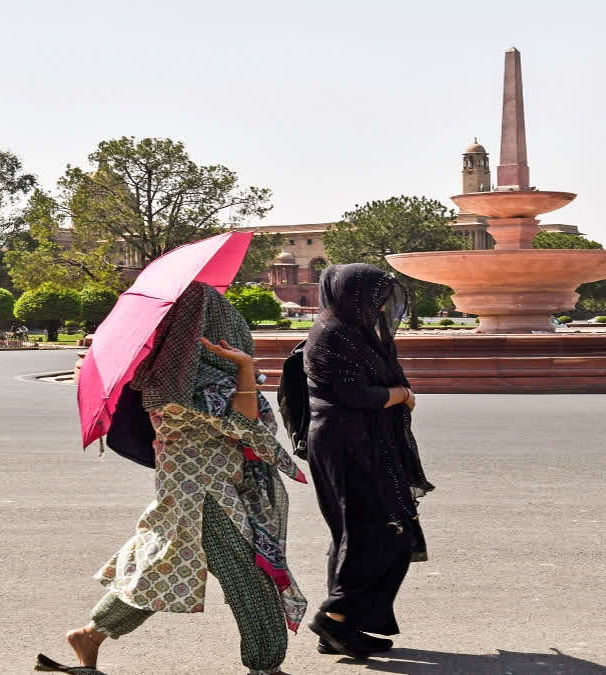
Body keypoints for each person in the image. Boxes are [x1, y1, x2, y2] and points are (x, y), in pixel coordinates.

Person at [41, 283, 305, 675]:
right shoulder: (187, 382)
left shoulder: (168, 372)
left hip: (188, 489)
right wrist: (245, 368)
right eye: (220, 315)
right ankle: (266, 667)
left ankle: (90, 635)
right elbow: (245, 423)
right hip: (206, 494)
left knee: (163, 566)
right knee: (248, 574)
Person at [302, 263, 434, 659]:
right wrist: (399, 395)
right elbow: (355, 394)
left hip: (362, 440)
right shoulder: (332, 334)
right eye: (372, 300)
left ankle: (343, 627)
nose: (378, 308)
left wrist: (396, 394)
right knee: (375, 531)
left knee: (365, 531)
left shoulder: (354, 332)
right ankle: (334, 617)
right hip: (345, 443)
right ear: (350, 296)